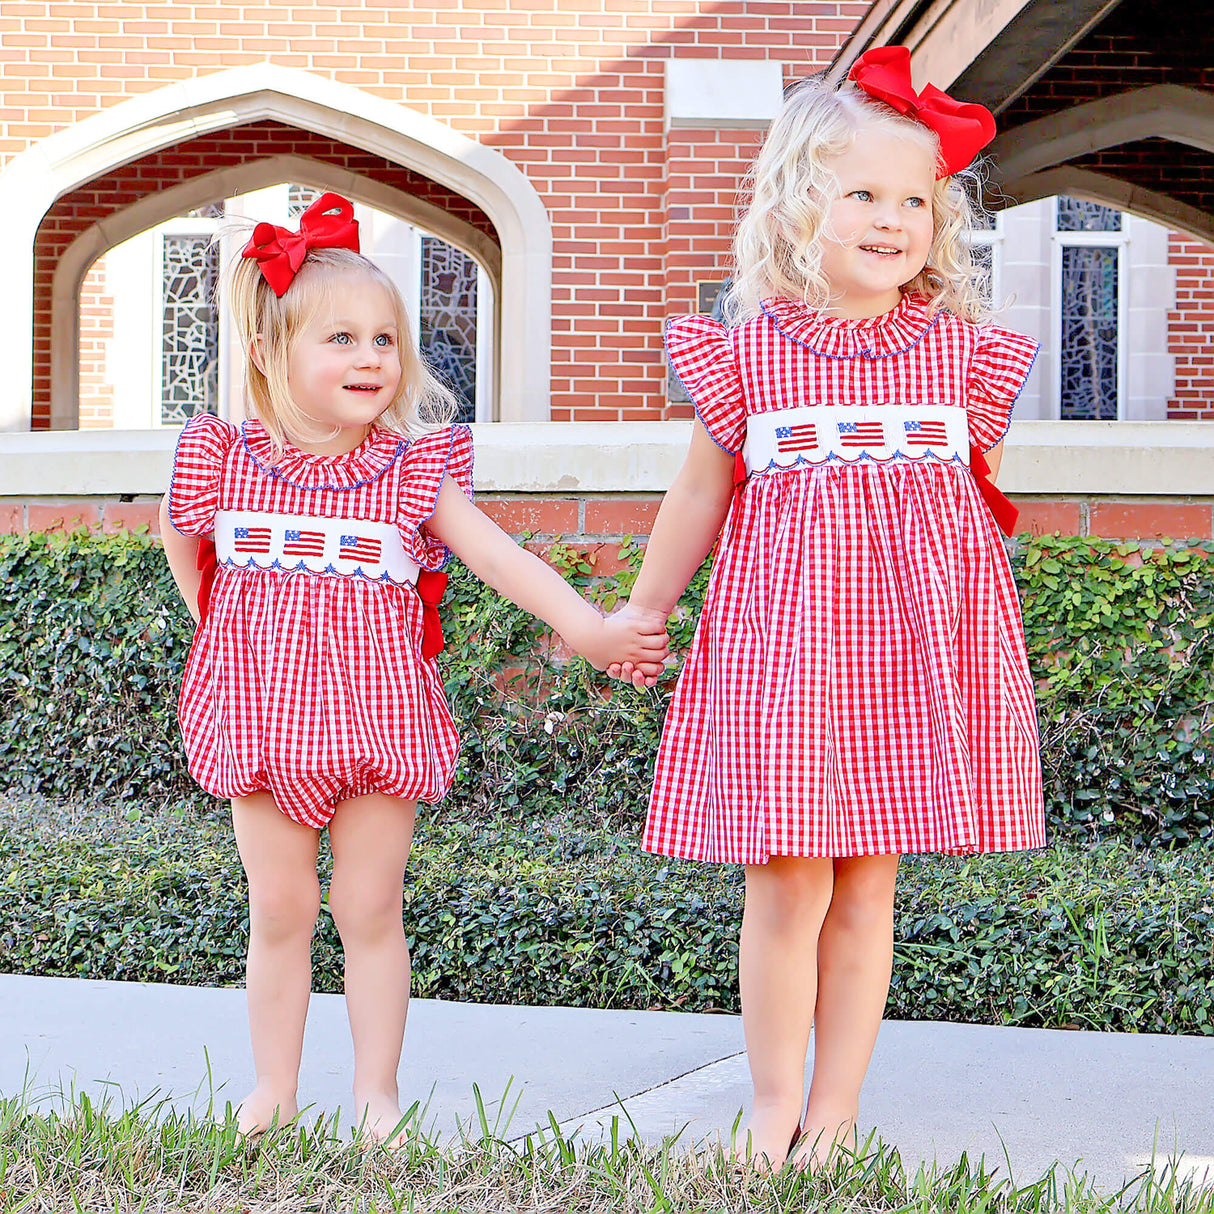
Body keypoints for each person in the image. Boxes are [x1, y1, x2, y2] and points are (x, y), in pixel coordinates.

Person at [610, 47, 1044, 1170]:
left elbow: (957, 513)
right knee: (785, 876)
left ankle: (836, 1105)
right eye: (861, 193)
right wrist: (644, 609)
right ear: (798, 204)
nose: (891, 218)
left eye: (914, 199)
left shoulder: (960, 356)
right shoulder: (746, 352)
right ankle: (769, 1102)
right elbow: (701, 489)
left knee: (867, 879)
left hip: (901, 656)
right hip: (784, 644)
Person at [159, 193, 668, 1143]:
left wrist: (589, 626)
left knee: (368, 907)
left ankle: (375, 1095)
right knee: (280, 908)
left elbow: (501, 558)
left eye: (385, 339)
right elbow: (188, 553)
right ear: (269, 354)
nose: (369, 358)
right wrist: (231, 653)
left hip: (377, 720)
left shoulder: (411, 471)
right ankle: (272, 1088)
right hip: (261, 723)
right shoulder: (220, 459)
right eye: (341, 338)